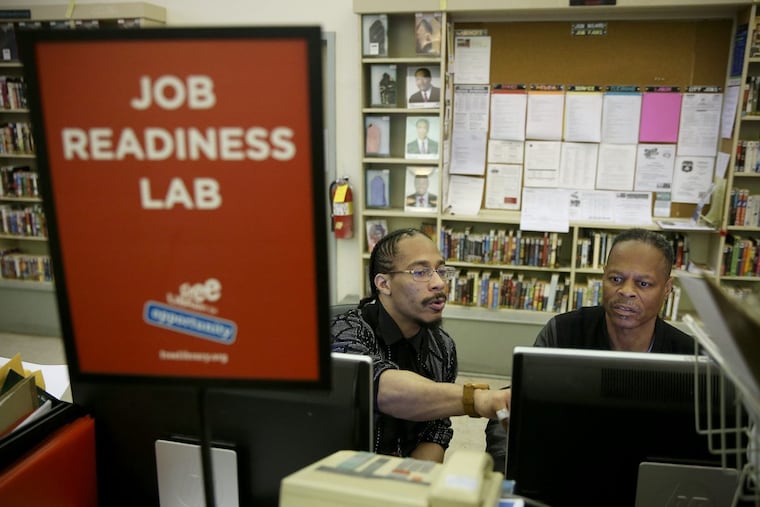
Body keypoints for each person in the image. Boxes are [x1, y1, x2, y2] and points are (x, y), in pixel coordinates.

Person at [484, 228, 696, 473]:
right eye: (616, 279)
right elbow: (510, 410)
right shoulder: (563, 332)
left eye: (643, 283)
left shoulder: (688, 356)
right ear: (603, 277)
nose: (626, 291)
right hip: (566, 473)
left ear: (668, 288)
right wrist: (507, 476)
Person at [331, 228, 510, 463]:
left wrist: (413, 484)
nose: (439, 283)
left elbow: (436, 431)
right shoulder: (344, 330)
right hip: (343, 473)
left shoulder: (443, 347)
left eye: (441, 271)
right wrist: (477, 399)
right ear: (384, 283)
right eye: (421, 272)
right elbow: (378, 387)